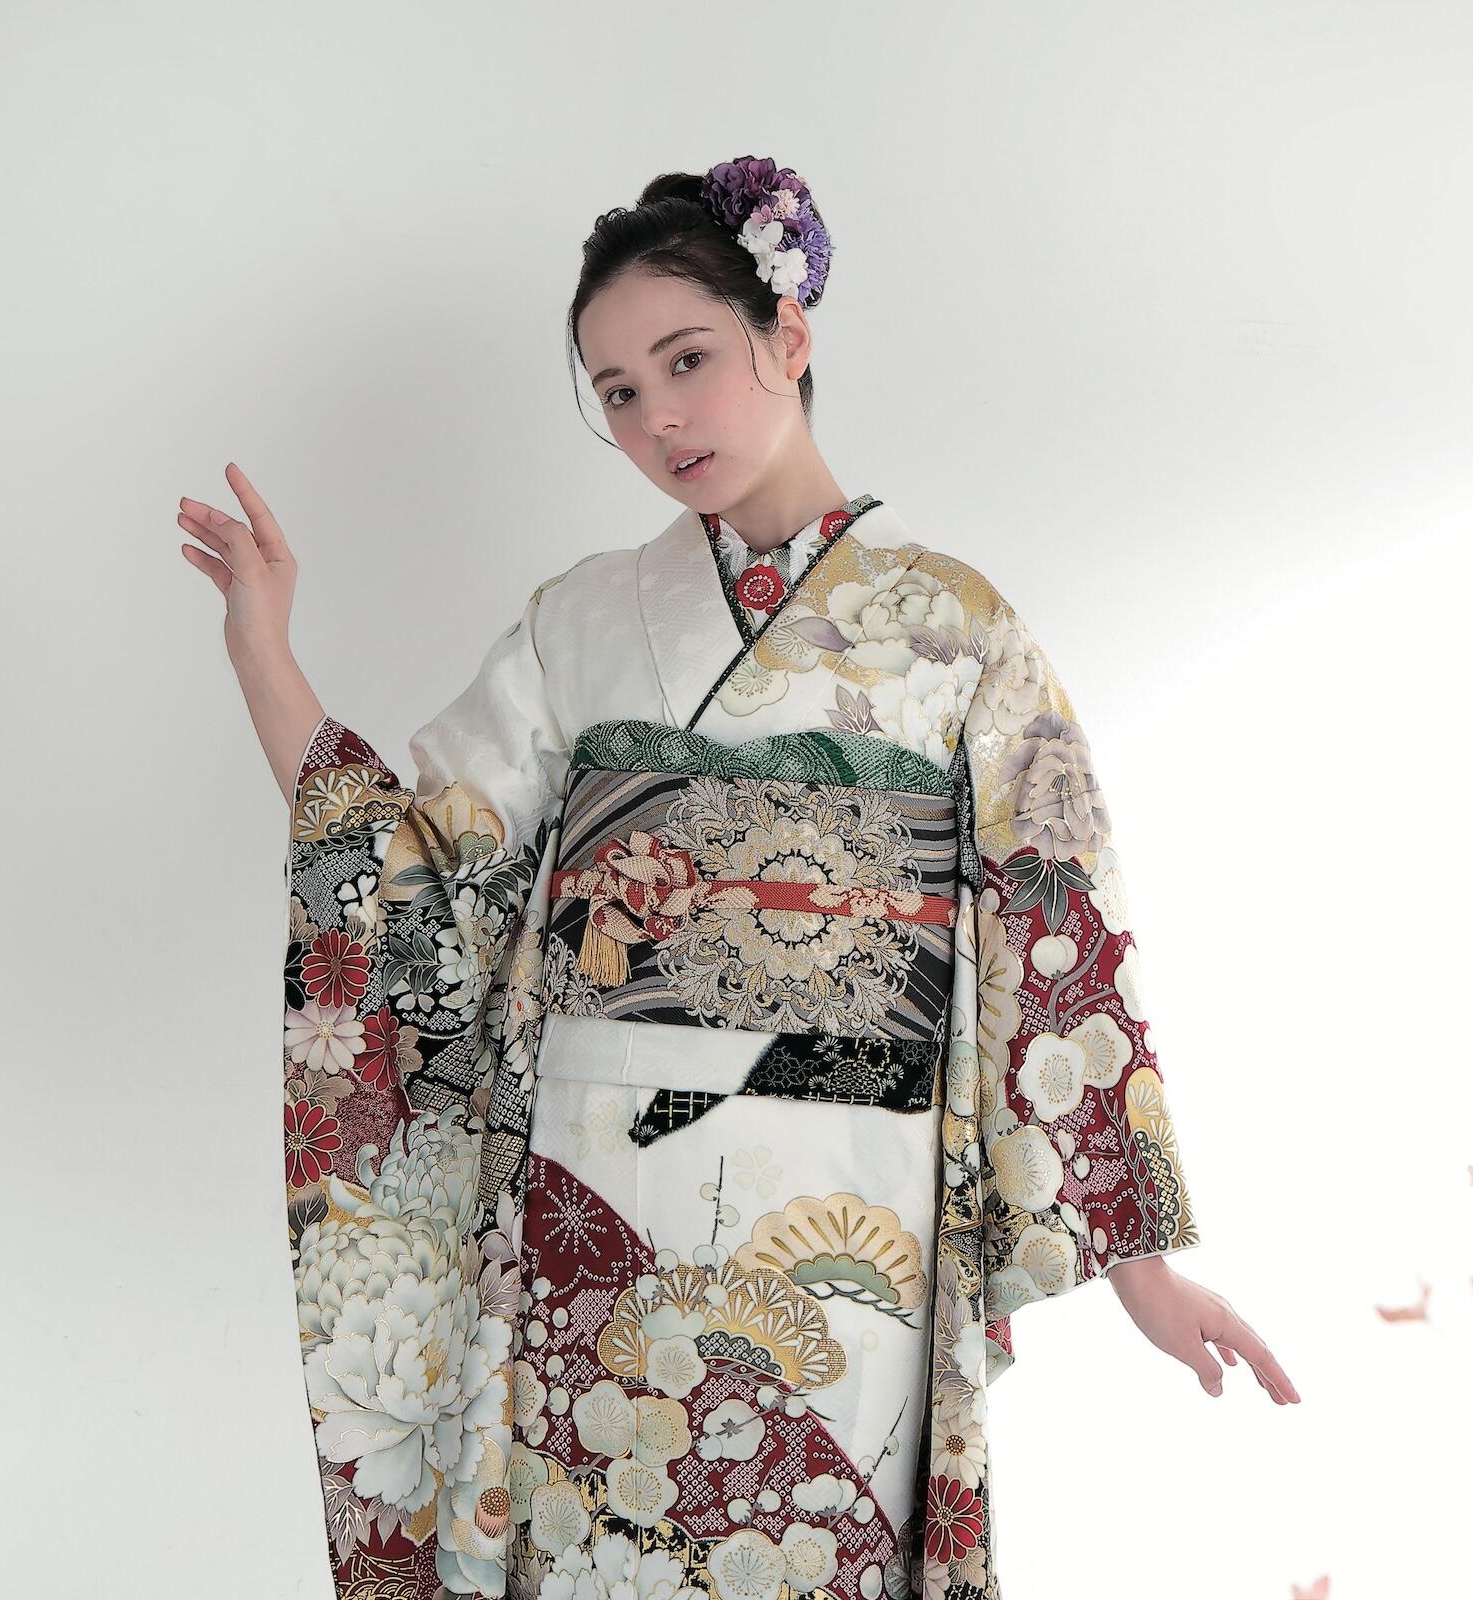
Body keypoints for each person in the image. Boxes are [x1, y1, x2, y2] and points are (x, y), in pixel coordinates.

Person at [184, 154, 1297, 1600]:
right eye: (617, 391)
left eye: (686, 360)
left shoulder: (958, 632)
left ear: (789, 332)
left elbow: (1061, 932)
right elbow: (414, 878)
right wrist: (263, 649)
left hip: (853, 1212)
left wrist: (1142, 1269)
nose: (656, 416)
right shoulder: (583, 623)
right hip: (596, 1204)